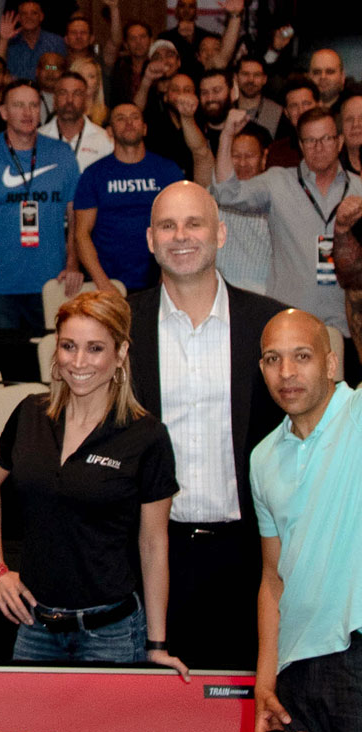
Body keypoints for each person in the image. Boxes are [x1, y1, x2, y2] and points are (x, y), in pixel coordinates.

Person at [0, 290, 187, 676]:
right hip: (34, 628)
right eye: (69, 346)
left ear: (120, 353)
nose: (78, 362)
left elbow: (154, 544)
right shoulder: (30, 414)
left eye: (95, 348)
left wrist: (157, 644)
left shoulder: (147, 436)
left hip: (112, 635)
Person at [127, 180, 286, 670]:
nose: (181, 236)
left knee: (244, 723)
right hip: (145, 559)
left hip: (249, 561)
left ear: (220, 233)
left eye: (194, 223)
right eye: (168, 225)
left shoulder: (270, 326)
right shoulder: (120, 329)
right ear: (151, 239)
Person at [250, 306, 362, 732]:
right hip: (295, 680)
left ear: (333, 363)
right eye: (273, 359)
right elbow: (273, 579)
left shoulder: (359, 413)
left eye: (302, 356)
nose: (286, 372)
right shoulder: (262, 458)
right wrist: (265, 683)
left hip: (356, 659)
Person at [214, 106, 362, 345]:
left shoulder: (358, 190)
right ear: (301, 146)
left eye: (326, 138)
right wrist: (226, 136)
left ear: (340, 141)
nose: (319, 146)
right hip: (288, 322)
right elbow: (226, 194)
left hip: (345, 326)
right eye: (310, 140)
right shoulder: (277, 181)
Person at [0, 80, 82, 330]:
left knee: (50, 362)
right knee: (3, 364)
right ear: (4, 112)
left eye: (34, 105)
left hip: (51, 282)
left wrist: (73, 262)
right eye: (19, 105)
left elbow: (76, 214)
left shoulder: (62, 153)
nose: (27, 113)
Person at [74, 103, 184, 292]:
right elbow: (81, 234)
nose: (129, 123)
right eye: (120, 118)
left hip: (158, 280)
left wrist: (169, 277)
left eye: (134, 117)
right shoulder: (94, 174)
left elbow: (181, 226)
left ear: (144, 128)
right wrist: (102, 283)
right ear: (109, 131)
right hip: (108, 282)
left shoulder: (168, 171)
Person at [215, 128, 273, 296]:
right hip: (221, 297)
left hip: (266, 297)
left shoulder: (277, 197)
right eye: (236, 156)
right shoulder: (210, 198)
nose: (242, 163)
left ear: (264, 158)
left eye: (249, 156)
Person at [39, 71, 112, 173]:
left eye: (76, 94)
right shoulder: (39, 138)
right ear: (55, 99)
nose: (69, 100)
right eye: (63, 93)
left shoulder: (105, 140)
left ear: (85, 99)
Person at [0, 1, 66, 83]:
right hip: (16, 92)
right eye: (24, 14)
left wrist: (50, 69)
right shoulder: (9, 41)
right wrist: (3, 40)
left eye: (34, 13)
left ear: (41, 16)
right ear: (19, 18)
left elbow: (63, 70)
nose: (29, 17)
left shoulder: (56, 42)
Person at [235, 58, 282, 140]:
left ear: (264, 79)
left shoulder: (277, 112)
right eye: (245, 74)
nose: (250, 80)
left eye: (257, 75)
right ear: (236, 77)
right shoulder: (225, 110)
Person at [308, 48, 349, 115]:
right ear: (309, 76)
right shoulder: (300, 111)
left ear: (342, 76)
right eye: (317, 72)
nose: (323, 77)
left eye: (329, 72)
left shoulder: (352, 112)